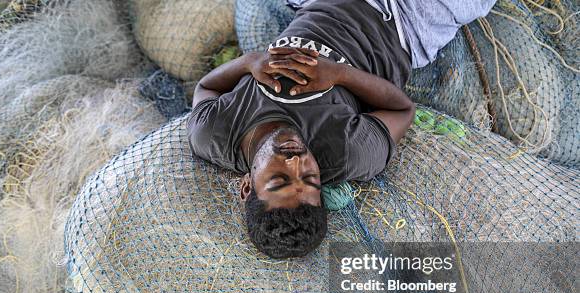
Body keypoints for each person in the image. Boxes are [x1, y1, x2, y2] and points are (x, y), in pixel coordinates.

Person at [187, 0, 495, 258]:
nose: (296, 162)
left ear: (246, 186)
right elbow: (402, 110)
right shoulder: (347, 152)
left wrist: (250, 62)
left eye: (279, 178)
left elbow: (205, 88)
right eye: (309, 177)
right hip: (403, 18)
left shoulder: (214, 134)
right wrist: (340, 74)